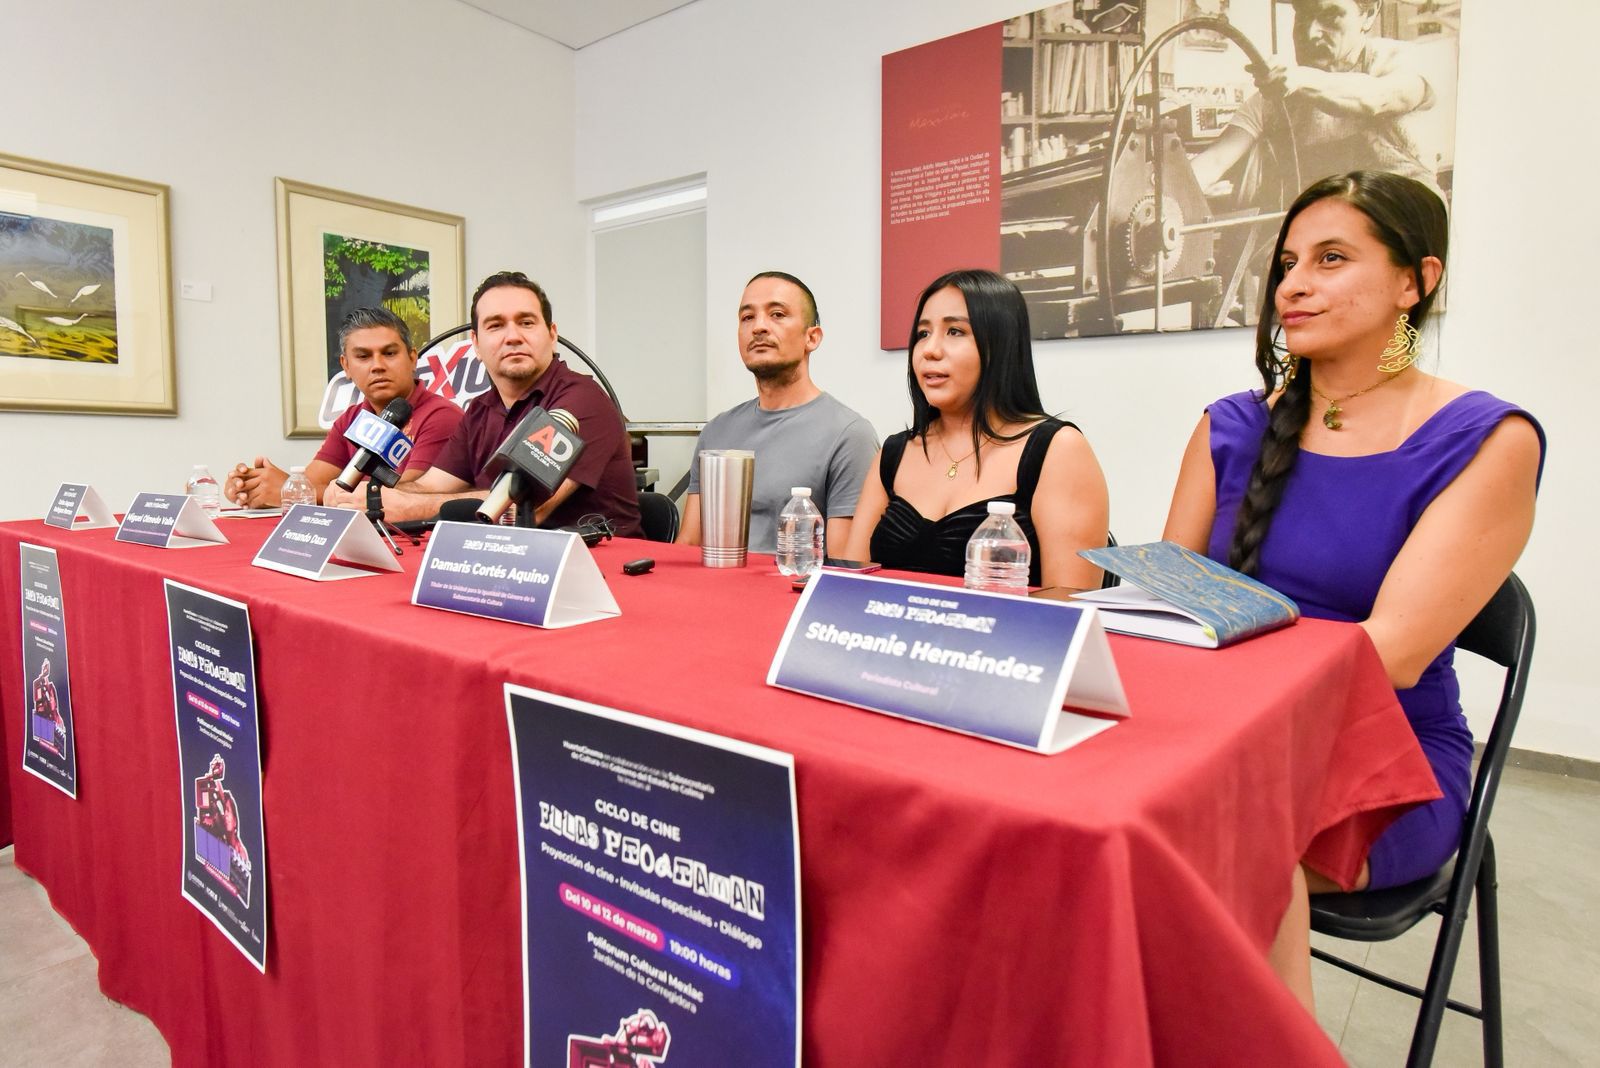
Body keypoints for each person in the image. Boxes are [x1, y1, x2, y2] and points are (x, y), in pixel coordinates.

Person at [1161, 171, 1544, 1012]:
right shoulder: (1229, 426)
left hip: (1383, 756)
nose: (1293, 285)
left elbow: (1393, 655)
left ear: (1416, 280)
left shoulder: (1486, 438)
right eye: (1287, 263)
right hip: (1213, 738)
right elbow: (1168, 605)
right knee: (1074, 819)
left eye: (1331, 259)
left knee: (1198, 851)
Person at [844, 269, 1109, 589]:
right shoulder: (894, 452)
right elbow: (848, 585)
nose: (929, 350)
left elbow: (1067, 604)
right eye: (923, 333)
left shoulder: (1057, 448)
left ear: (1001, 345)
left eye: (955, 331)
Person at [326, 272, 642, 536]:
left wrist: (407, 506)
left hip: (603, 572)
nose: (513, 336)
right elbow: (430, 486)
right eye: (495, 325)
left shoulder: (581, 400)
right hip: (506, 560)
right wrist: (367, 495)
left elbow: (523, 508)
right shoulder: (480, 410)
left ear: (552, 335)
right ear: (476, 344)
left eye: (526, 322)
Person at [677, 272, 877, 553]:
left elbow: (844, 564)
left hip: (794, 581)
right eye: (747, 317)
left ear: (812, 337)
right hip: (716, 579)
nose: (759, 327)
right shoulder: (716, 431)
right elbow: (688, 544)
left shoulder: (850, 435)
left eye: (777, 314)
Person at [1191, 0, 1441, 200]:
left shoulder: (1401, 61)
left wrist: (1300, 80)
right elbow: (1214, 161)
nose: (1311, 33)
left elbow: (1376, 99)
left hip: (1404, 226)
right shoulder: (1274, 98)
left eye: (1330, 16)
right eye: (1303, 15)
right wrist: (1172, 191)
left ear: (1369, 14)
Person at [224, 307, 462, 507]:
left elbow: (406, 497)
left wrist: (287, 490)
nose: (377, 366)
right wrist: (256, 487)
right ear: (345, 366)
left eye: (389, 353)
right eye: (363, 357)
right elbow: (311, 483)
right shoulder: (351, 418)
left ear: (412, 358)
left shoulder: (442, 416)